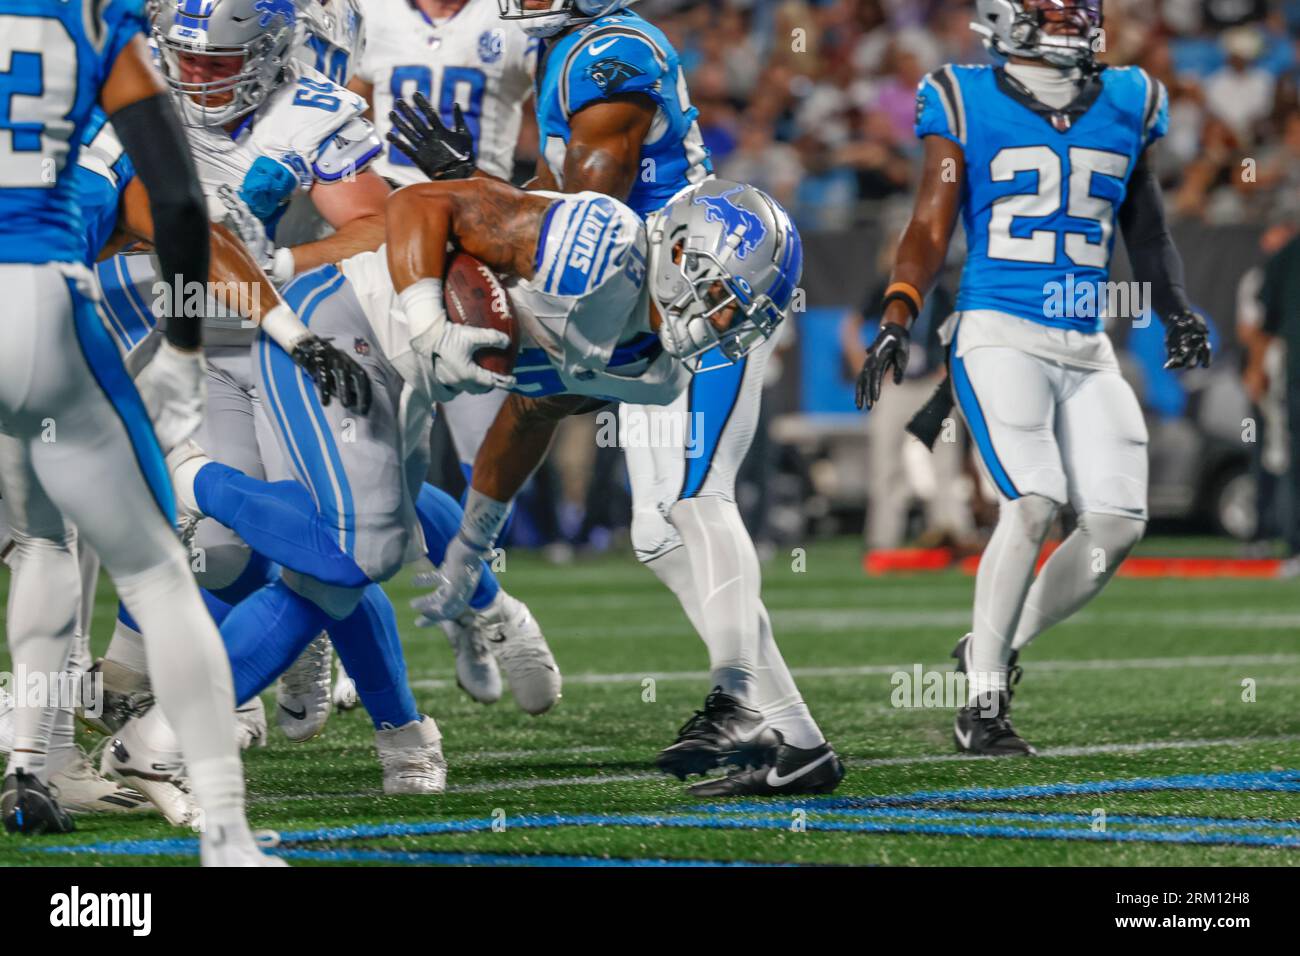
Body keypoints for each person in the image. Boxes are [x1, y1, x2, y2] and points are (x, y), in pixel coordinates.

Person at [857, 0, 1212, 756]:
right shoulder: (963, 94)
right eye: (1049, 10)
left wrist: (1176, 308)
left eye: (1074, 9)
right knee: (1035, 499)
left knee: (1117, 525)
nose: (1067, 22)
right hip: (998, 330)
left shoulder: (1127, 97)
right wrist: (899, 313)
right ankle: (982, 704)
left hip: (1085, 342)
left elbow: (1144, 225)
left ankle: (990, 642)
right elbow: (930, 220)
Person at [0, 0, 278, 864]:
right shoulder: (89, 19)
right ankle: (225, 830)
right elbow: (178, 197)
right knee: (156, 572)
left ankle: (24, 763)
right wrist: (184, 352)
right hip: (38, 296)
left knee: (40, 544)